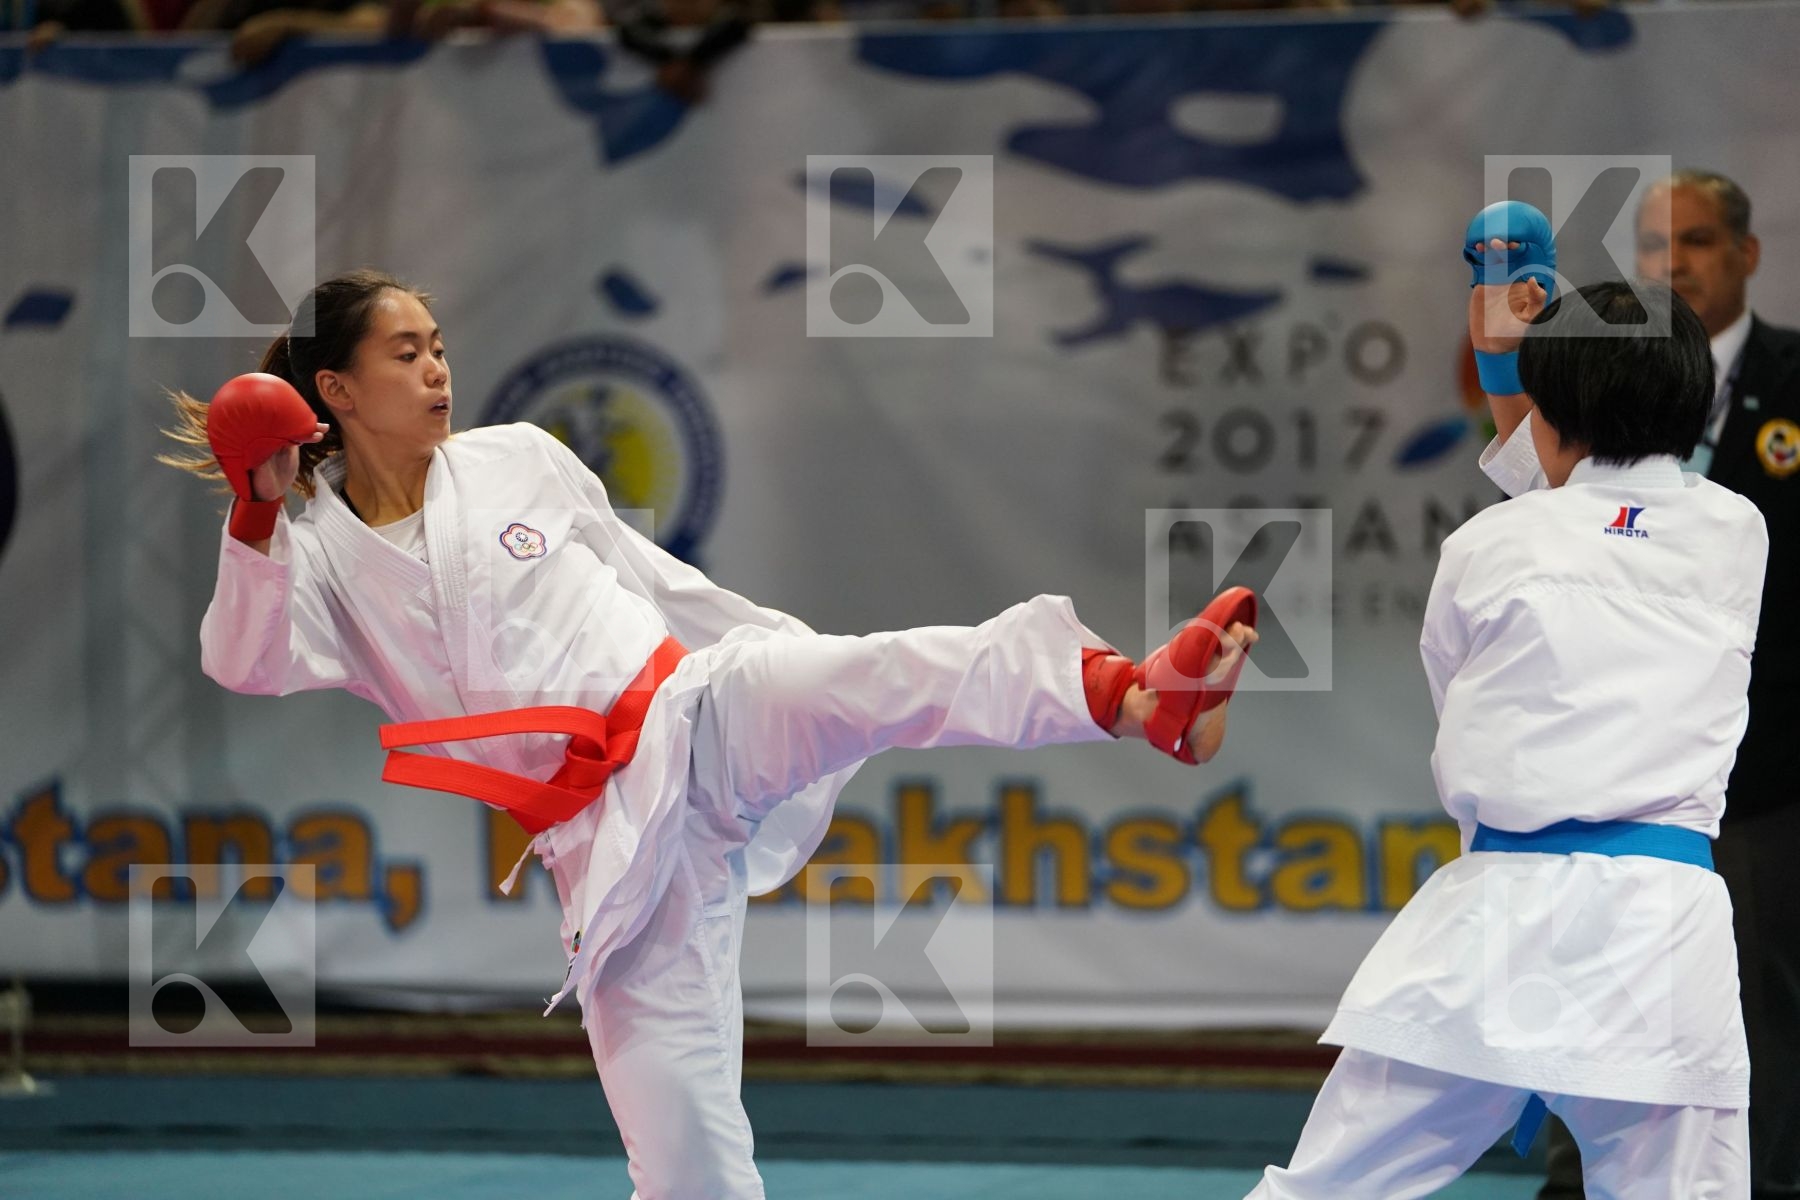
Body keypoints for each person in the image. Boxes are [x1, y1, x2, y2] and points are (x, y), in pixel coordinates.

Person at [160, 267, 1258, 1200]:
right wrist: (256, 509)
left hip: (693, 709)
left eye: (441, 346)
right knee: (679, 1139)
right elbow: (244, 663)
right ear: (339, 388)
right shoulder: (313, 550)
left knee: (875, 675)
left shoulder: (520, 459)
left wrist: (758, 646)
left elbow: (651, 578)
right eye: (407, 354)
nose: (440, 369)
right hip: (607, 843)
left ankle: (1132, 696)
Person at [1244, 206, 1764, 1199]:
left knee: (1330, 1184)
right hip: (1661, 927)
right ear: (1700, 405)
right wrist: (1525, 355)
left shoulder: (1494, 545)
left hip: (1501, 915)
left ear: (1552, 409)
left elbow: (1470, 671)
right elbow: (1599, 484)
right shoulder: (1736, 532)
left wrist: (1504, 337)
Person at [1537, 171, 1800, 1200]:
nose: (1672, 264)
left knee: (1754, 1000)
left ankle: (1766, 1186)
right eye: (1654, 245)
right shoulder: (1598, 382)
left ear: (1745, 254)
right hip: (1609, 764)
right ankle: (1574, 1183)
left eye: (1695, 241)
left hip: (1768, 769)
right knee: (1593, 991)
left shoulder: (1797, 380)